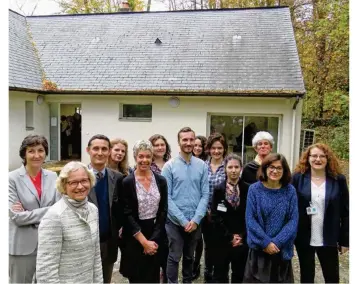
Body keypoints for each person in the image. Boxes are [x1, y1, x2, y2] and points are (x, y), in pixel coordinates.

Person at [36, 162, 103, 283]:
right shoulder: (54, 216)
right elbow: (46, 271)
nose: (80, 186)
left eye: (84, 180)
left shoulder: (93, 210)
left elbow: (96, 256)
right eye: (73, 182)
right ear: (63, 185)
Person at [292, 143, 349, 283]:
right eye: (314, 156)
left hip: (329, 236)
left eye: (322, 156)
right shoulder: (298, 178)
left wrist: (345, 240)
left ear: (328, 158)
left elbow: (346, 212)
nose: (318, 159)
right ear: (308, 158)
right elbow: (291, 207)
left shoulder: (338, 180)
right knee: (306, 276)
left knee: (332, 276)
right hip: (304, 236)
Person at [9, 135, 61, 283]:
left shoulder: (52, 176)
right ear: (24, 154)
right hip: (22, 245)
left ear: (45, 153)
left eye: (41, 150)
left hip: (48, 242)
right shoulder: (11, 179)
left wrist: (28, 213)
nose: (37, 155)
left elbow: (59, 209)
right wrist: (50, 210)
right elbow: (17, 217)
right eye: (31, 151)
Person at [162, 127, 209, 283]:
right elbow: (166, 197)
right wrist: (182, 220)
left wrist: (196, 219)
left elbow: (205, 194)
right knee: (174, 257)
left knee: (190, 256)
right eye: (185, 140)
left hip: (195, 221)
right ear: (179, 142)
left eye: (191, 139)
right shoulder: (169, 166)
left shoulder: (202, 165)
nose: (188, 143)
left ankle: (187, 281)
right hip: (175, 222)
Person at [243, 153, 298, 283]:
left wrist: (277, 242)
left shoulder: (290, 191)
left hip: (281, 250)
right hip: (259, 250)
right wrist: (266, 243)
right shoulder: (254, 189)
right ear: (265, 168)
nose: (275, 171)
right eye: (271, 167)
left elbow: (293, 220)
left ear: (284, 171)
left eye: (279, 168)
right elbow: (250, 220)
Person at [119, 140, 168, 283]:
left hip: (155, 234)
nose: (144, 160)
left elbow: (163, 210)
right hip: (135, 236)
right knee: (137, 277)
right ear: (135, 157)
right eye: (141, 156)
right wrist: (144, 242)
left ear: (152, 157)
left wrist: (152, 240)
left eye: (148, 156)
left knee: (153, 276)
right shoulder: (127, 182)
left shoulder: (161, 180)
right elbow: (126, 214)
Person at [86, 134, 124, 283]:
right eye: (96, 148)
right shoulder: (78, 176)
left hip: (109, 242)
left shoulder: (118, 178)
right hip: (85, 242)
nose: (100, 153)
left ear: (109, 152)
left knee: (105, 280)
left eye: (104, 149)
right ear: (88, 150)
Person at [211, 154, 249, 283]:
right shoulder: (218, 190)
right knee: (220, 275)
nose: (233, 170)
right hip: (222, 239)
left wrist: (242, 236)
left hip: (242, 240)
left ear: (241, 168)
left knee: (239, 274)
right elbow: (215, 216)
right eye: (230, 167)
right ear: (225, 169)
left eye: (236, 167)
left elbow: (250, 215)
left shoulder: (248, 189)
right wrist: (230, 237)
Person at [202, 132, 228, 282]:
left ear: (224, 149)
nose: (216, 151)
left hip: (223, 214)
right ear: (209, 149)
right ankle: (208, 273)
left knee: (222, 245)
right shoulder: (202, 166)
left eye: (219, 148)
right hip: (205, 214)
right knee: (208, 245)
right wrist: (206, 210)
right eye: (213, 148)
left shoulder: (229, 166)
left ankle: (220, 274)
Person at [148, 134, 171, 283]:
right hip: (152, 215)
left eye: (162, 144)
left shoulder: (172, 164)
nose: (160, 147)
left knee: (168, 252)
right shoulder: (146, 165)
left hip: (170, 212)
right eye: (156, 145)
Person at [191, 135, 207, 280]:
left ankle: (198, 264)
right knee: (195, 239)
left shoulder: (205, 163)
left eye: (199, 146)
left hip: (206, 207)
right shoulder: (188, 161)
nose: (196, 148)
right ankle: (192, 265)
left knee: (201, 239)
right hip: (192, 207)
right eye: (194, 145)